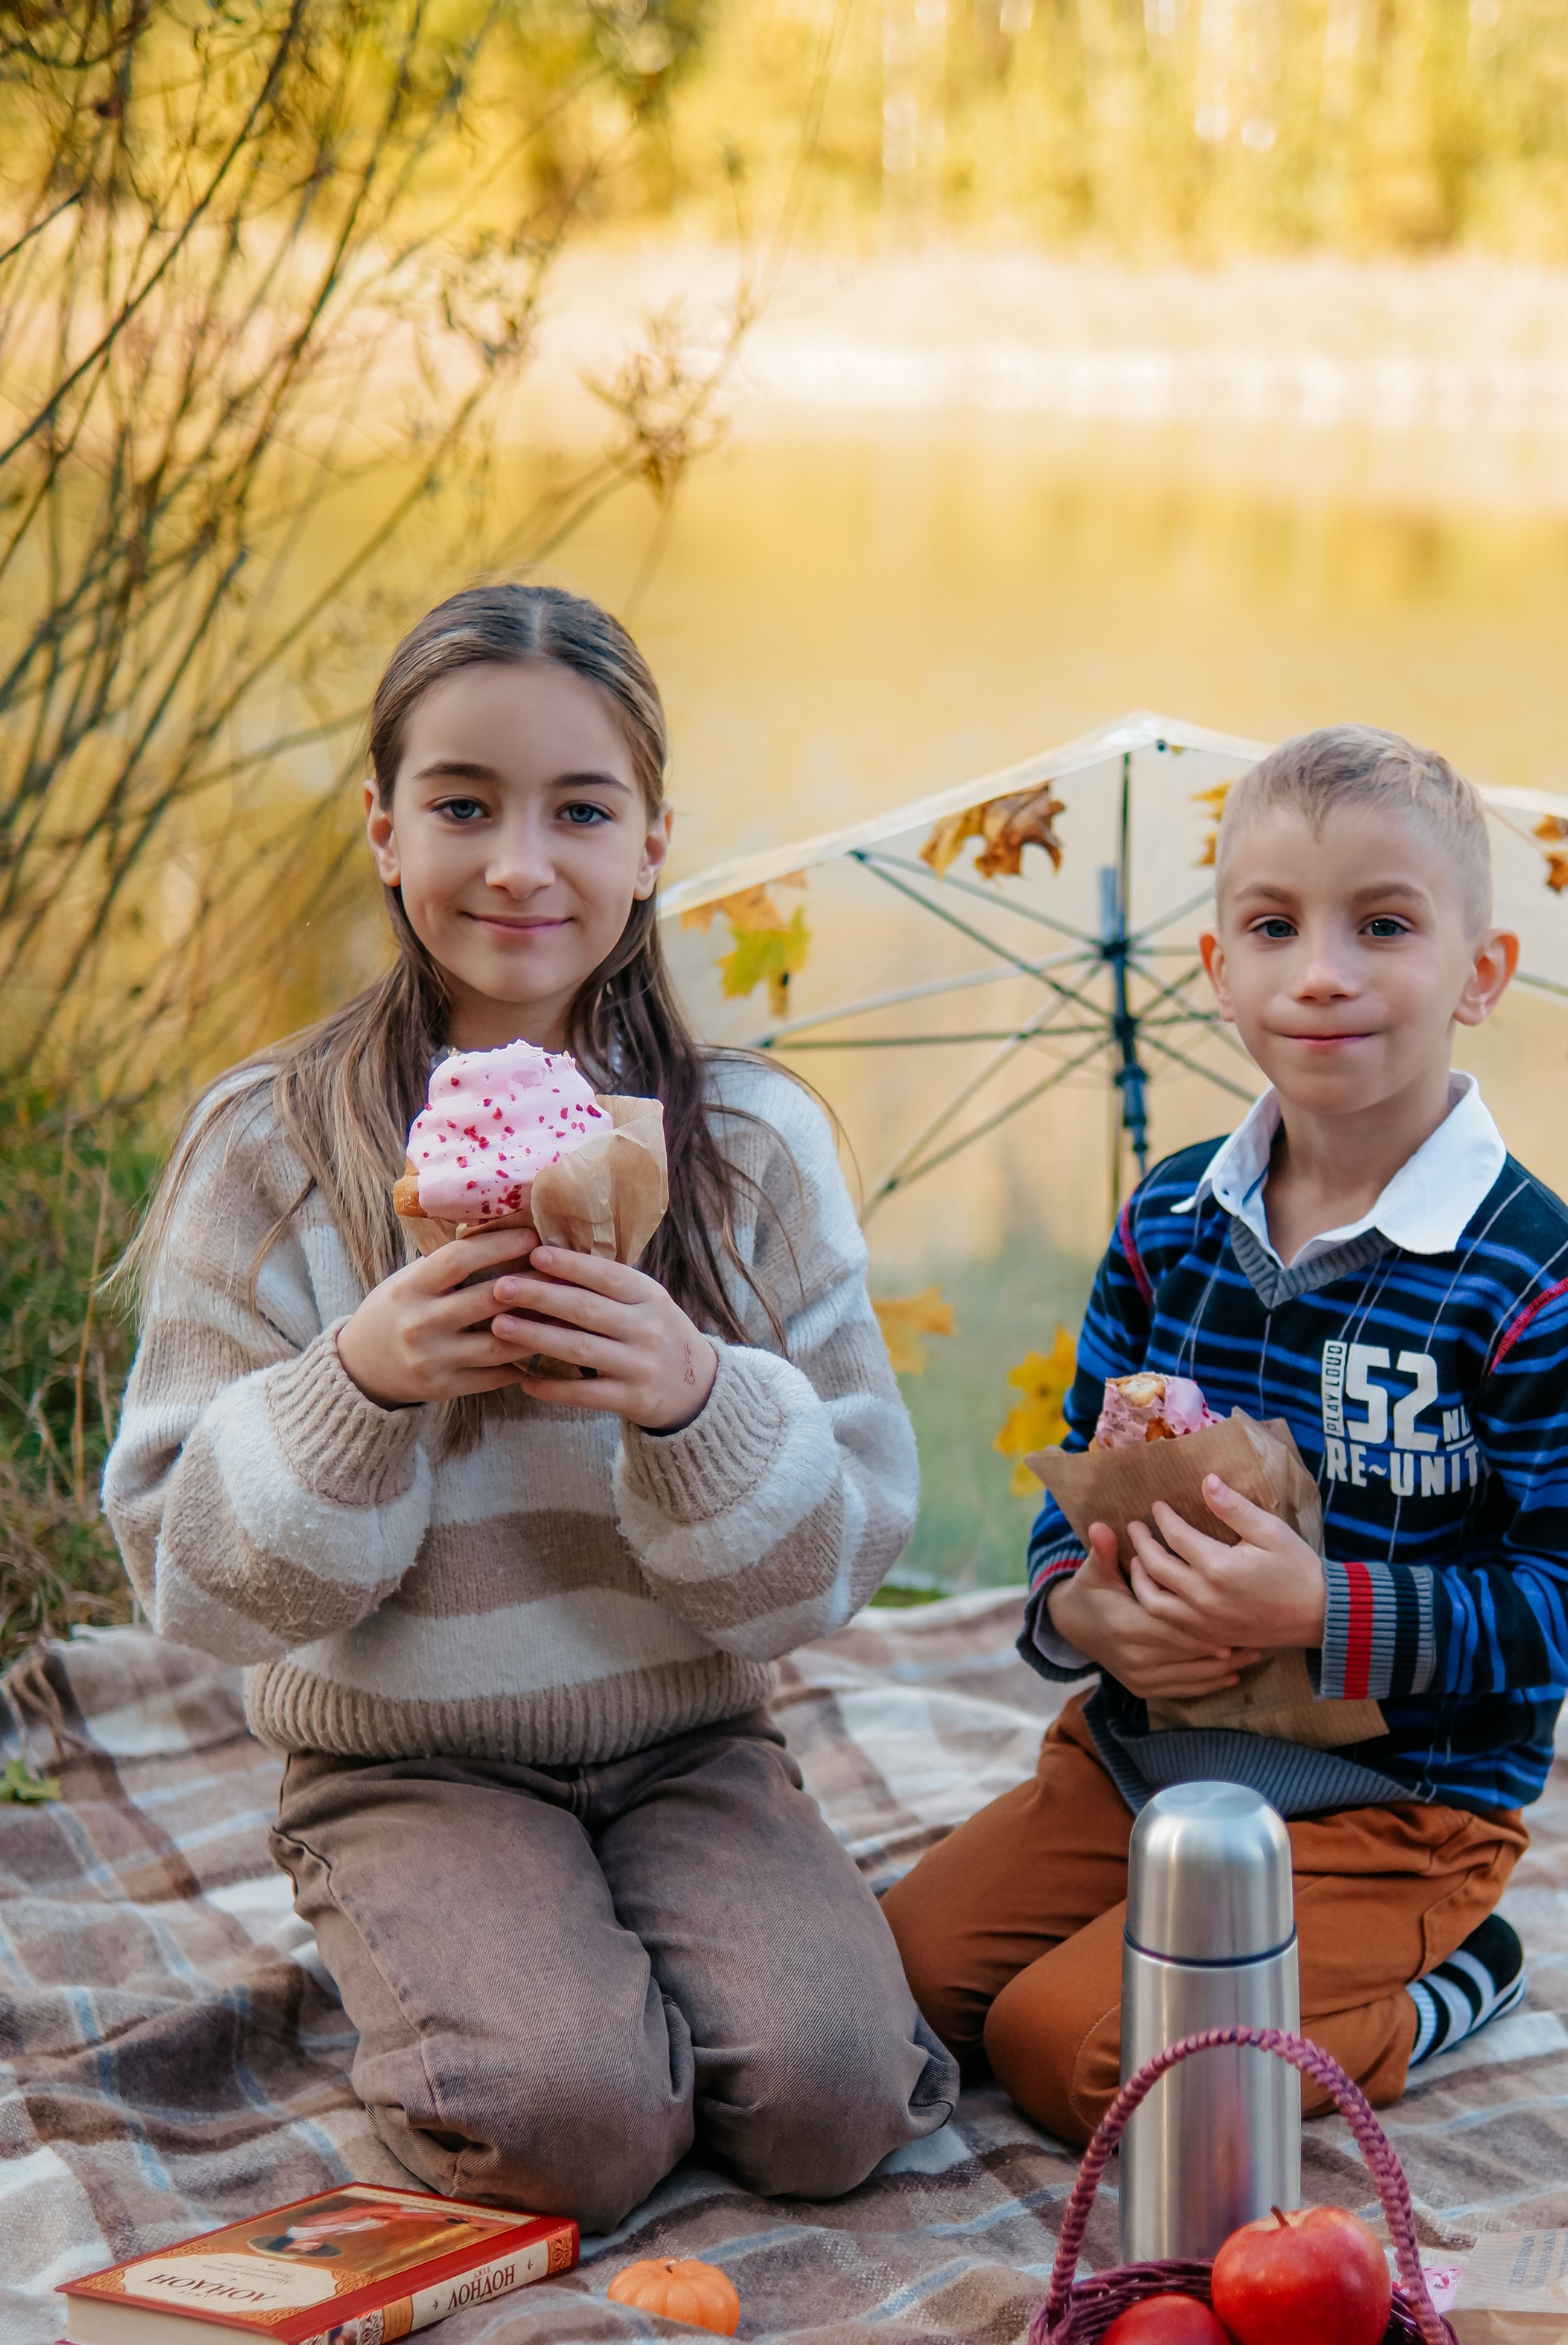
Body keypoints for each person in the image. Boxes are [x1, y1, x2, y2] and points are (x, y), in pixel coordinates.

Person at [104, 581, 955, 2233]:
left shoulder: (752, 1149)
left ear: (650, 846)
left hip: (688, 1737)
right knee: (571, 2129)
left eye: (580, 810)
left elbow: (836, 1564)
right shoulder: (271, 1149)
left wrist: (694, 1404)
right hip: (409, 1763)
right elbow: (188, 1580)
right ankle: (482, 1968)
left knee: (839, 2097)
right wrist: (361, 1387)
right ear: (380, 829)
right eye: (461, 805)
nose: (517, 863)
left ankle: (604, 1970)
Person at [883, 724, 1568, 2145]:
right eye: (1274, 925)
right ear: (1218, 971)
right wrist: (1082, 1611)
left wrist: (1329, 1608)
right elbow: (1080, 1476)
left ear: (1479, 974)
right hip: (1142, 1759)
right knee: (905, 1988)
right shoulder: (1169, 1223)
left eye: (1384, 925)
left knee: (1081, 2054)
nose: (1322, 969)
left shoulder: (1545, 1290)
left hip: (1396, 1807)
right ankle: (1167, 1938)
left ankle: (1445, 1981)